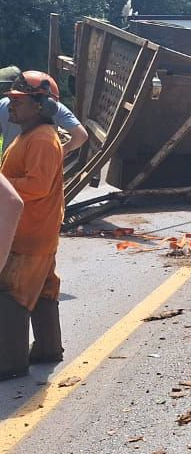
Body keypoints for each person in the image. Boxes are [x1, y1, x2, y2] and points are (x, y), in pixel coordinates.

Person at [0, 71, 65, 380]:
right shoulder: (30, 135)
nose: (11, 105)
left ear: (41, 106)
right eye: (11, 99)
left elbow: (36, 186)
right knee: (43, 290)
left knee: (10, 294)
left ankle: (9, 364)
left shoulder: (41, 140)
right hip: (37, 232)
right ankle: (47, 349)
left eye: (18, 101)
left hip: (29, 235)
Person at [0, 66, 88, 156]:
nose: (11, 106)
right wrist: (63, 150)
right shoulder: (57, 108)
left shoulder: (3, 104)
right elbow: (81, 136)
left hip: (10, 164)